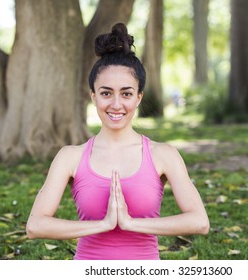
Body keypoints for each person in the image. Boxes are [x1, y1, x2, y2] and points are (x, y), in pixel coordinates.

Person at [26, 23, 209, 260]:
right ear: (93, 96)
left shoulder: (163, 154)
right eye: (105, 93)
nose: (115, 104)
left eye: (126, 93)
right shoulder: (70, 156)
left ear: (138, 97)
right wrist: (103, 224)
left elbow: (199, 221)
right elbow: (35, 225)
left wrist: (130, 223)